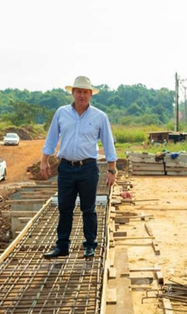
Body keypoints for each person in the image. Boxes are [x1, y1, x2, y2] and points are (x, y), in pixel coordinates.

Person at [40, 75, 117, 259]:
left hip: (88, 168)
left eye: (85, 92)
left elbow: (108, 144)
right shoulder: (61, 113)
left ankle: (90, 246)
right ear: (73, 93)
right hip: (66, 167)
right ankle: (62, 246)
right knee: (64, 208)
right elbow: (51, 138)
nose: (82, 95)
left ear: (90, 94)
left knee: (88, 209)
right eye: (79, 91)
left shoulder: (100, 116)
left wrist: (112, 169)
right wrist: (44, 160)